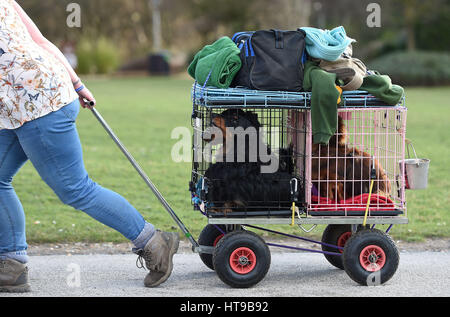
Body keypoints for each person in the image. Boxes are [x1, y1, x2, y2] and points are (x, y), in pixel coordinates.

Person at [0, 0, 179, 293]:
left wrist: (76, 83)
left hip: (38, 106)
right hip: (22, 105)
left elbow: (37, 41)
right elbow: (40, 40)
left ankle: (155, 242)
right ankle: (11, 264)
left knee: (74, 188)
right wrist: (77, 83)